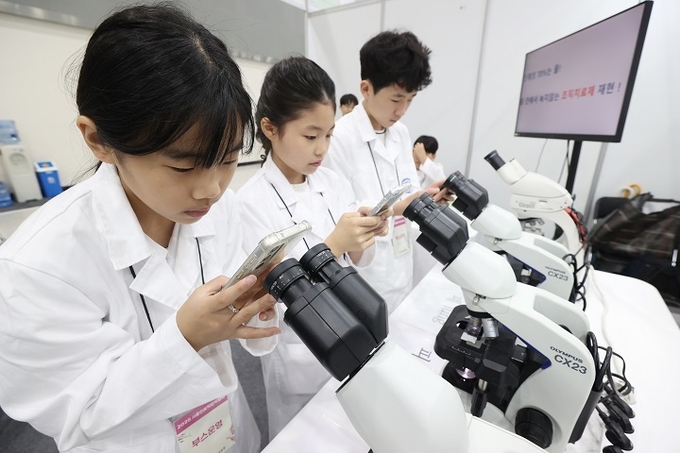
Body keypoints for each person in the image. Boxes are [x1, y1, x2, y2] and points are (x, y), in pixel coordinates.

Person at [0, 4, 281, 453]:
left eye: (228, 159)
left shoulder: (221, 209)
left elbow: (245, 315)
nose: (211, 189)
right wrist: (185, 338)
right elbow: (81, 414)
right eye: (183, 166)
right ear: (98, 140)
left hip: (226, 429)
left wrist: (258, 299)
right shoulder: (36, 267)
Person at [236, 56, 390, 440]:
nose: (322, 149)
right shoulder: (249, 204)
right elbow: (271, 292)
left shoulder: (333, 183)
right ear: (270, 128)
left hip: (356, 333)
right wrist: (334, 244)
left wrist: (364, 235)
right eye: (310, 136)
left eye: (329, 135)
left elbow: (357, 262)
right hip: (300, 360)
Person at [323, 30, 450, 312]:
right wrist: (397, 208)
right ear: (366, 89)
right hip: (364, 272)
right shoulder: (340, 138)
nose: (402, 110)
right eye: (396, 99)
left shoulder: (401, 133)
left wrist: (425, 197)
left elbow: (407, 188)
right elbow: (341, 216)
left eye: (411, 99)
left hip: (401, 259)